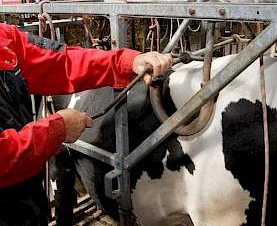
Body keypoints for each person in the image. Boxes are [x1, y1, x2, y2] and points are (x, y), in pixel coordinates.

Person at [0, 22, 173, 225]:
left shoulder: (5, 38)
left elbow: (62, 62)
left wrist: (127, 61)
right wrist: (56, 130)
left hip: (27, 203)